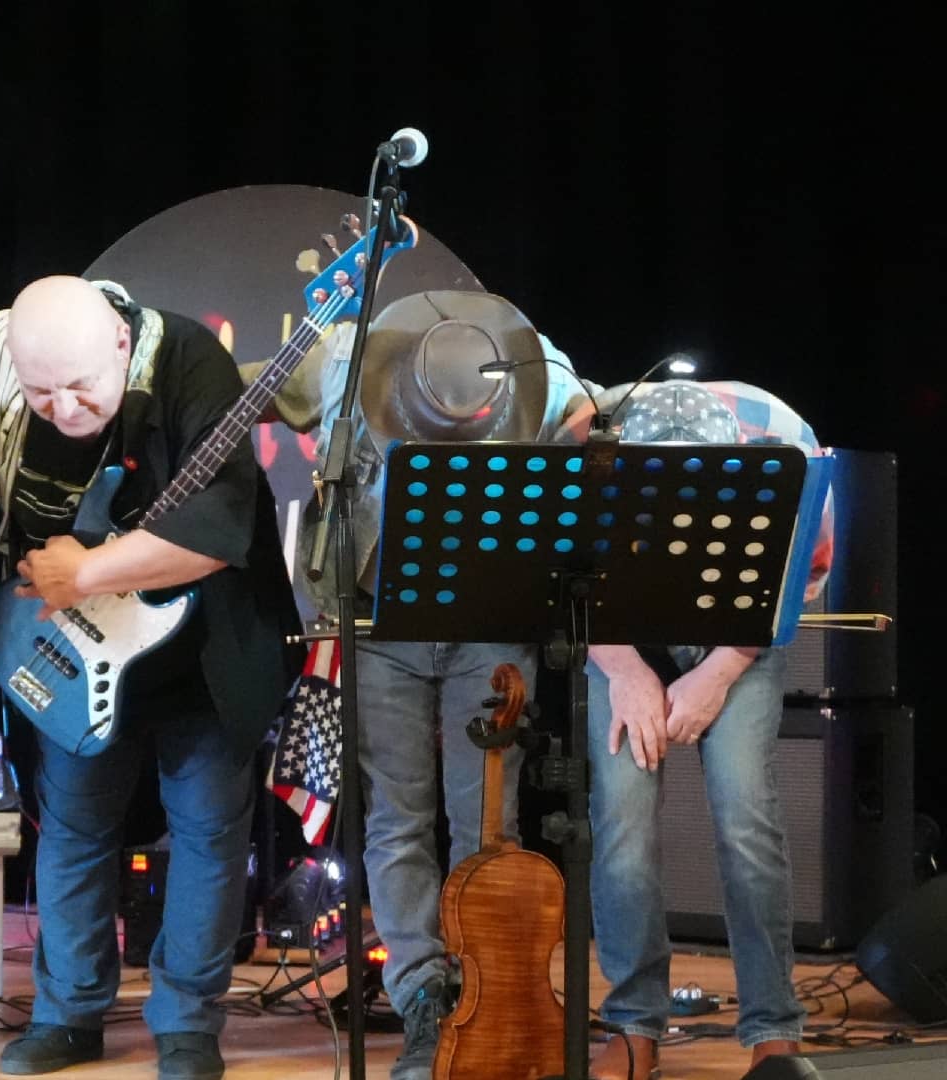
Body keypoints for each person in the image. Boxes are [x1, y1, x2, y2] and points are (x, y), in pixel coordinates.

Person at [0, 276, 301, 1080]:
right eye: (42, 392)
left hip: (201, 647)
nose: (64, 410)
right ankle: (68, 1015)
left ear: (122, 345)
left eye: (82, 388)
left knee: (207, 833)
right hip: (74, 647)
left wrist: (90, 570)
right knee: (71, 830)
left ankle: (189, 1024)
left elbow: (216, 532)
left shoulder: (188, 359)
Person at [245, 290, 585, 1080]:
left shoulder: (535, 364)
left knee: (489, 827)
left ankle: (489, 994)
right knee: (398, 824)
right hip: (375, 621)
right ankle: (424, 1000)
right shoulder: (342, 354)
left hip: (491, 620)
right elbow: (244, 389)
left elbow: (586, 420)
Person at [555, 379, 832, 1080]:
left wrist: (718, 672)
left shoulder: (789, 451)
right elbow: (564, 579)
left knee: (744, 811)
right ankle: (633, 1026)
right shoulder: (582, 450)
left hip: (736, 627)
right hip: (624, 624)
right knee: (620, 815)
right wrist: (623, 669)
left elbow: (803, 577)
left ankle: (774, 1028)